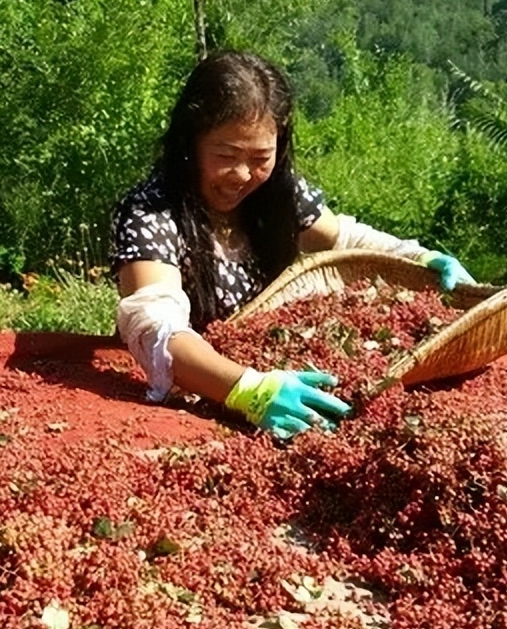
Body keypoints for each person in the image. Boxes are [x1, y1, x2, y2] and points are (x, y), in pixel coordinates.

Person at [109, 50, 476, 438]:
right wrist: (249, 389)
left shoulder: (277, 196)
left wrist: (419, 256)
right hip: (200, 396)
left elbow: (344, 239)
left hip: (283, 373)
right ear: (190, 142)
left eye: (260, 158)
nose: (241, 175)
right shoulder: (151, 212)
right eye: (225, 155)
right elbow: (156, 329)